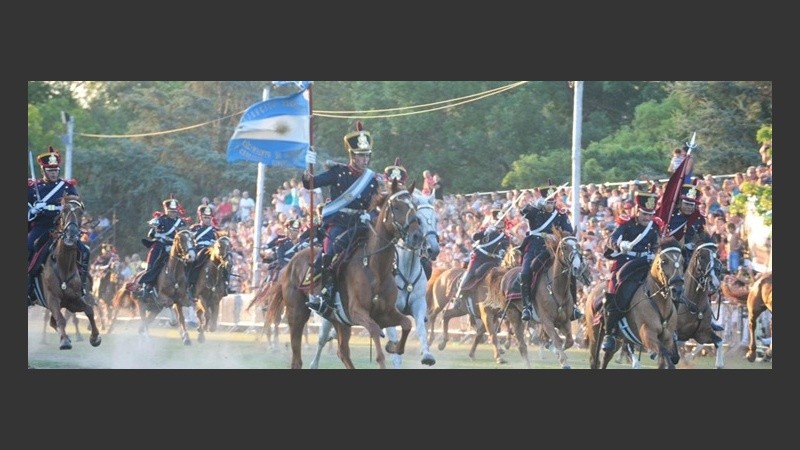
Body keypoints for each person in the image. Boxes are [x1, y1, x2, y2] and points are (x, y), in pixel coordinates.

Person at [302, 121, 382, 315]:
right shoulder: (338, 173)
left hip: (361, 224)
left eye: (367, 156)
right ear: (352, 156)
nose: (365, 160)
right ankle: (325, 294)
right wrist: (308, 166)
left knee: (384, 247)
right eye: (361, 156)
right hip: (339, 223)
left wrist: (369, 215)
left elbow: (377, 206)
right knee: (330, 251)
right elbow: (310, 183)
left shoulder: (372, 179)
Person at [27, 146, 91, 304]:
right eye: (50, 170)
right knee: (28, 247)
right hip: (42, 227)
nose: (54, 173)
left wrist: (60, 207)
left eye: (55, 170)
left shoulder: (67, 187)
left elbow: (76, 205)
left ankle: (82, 287)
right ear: (43, 170)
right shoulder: (33, 189)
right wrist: (35, 209)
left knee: (84, 251)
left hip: (62, 228)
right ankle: (28, 289)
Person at [601, 190, 663, 351]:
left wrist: (656, 253)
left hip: (646, 263)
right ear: (637, 210)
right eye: (644, 214)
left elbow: (658, 243)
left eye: (650, 214)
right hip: (626, 262)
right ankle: (611, 333)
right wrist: (620, 245)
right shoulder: (626, 223)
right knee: (616, 292)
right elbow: (611, 239)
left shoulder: (655, 225)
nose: (647, 218)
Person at [518, 183, 581, 322]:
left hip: (553, 249)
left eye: (552, 202)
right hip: (535, 246)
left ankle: (574, 306)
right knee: (526, 272)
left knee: (570, 272)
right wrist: (535, 204)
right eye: (547, 202)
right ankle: (527, 306)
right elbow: (523, 212)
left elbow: (568, 231)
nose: (550, 205)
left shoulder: (560, 215)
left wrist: (558, 236)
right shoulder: (536, 212)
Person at [452, 208, 510, 310]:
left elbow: (504, 248)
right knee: (470, 273)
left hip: (493, 260)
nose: (499, 223)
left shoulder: (505, 237)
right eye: (498, 221)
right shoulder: (486, 230)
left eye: (501, 221)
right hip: (480, 257)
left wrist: (501, 253)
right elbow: (475, 237)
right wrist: (485, 232)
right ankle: (459, 295)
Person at [136, 196, 188, 299]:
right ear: (166, 210)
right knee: (153, 261)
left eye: (175, 211)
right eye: (171, 211)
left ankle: (190, 287)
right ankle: (146, 287)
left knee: (189, 261)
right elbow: (151, 235)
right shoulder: (160, 220)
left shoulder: (181, 222)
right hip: (161, 246)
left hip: (176, 248)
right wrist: (155, 229)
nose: (173, 213)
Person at [186, 204, 231, 302]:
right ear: (200, 217)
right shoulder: (194, 229)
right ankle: (191, 285)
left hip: (213, 251)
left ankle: (226, 284)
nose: (207, 219)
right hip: (199, 250)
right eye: (205, 217)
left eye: (209, 217)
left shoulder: (215, 230)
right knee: (193, 262)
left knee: (225, 261)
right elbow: (189, 241)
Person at [665, 180, 707, 266]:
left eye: (691, 205)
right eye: (686, 204)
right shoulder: (670, 215)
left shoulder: (698, 218)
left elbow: (701, 236)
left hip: (690, 254)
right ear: (680, 204)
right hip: (669, 252)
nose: (688, 207)